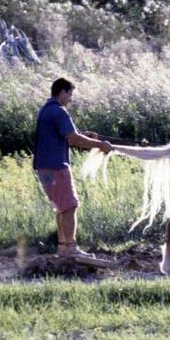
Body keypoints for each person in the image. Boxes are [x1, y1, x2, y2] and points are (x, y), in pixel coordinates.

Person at [33, 78, 113, 259]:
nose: (70, 99)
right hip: (57, 167)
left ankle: (63, 247)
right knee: (70, 206)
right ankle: (71, 247)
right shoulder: (60, 112)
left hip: (45, 168)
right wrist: (101, 145)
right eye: (70, 94)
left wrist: (85, 136)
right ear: (62, 92)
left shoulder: (46, 110)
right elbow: (74, 139)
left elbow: (68, 136)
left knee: (62, 207)